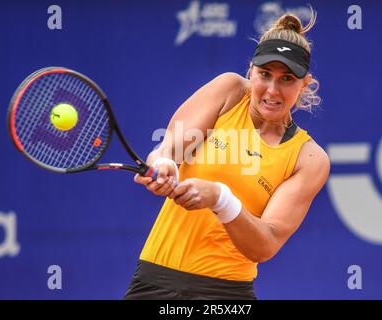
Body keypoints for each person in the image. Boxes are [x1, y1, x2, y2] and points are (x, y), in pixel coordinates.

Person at [125, 10, 330, 300]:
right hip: (155, 278)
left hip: (226, 295)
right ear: (251, 70)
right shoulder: (229, 91)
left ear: (304, 84)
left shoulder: (309, 159)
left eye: (286, 79)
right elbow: (169, 148)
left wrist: (221, 199)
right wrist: (164, 164)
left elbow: (265, 244)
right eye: (265, 74)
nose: (272, 89)